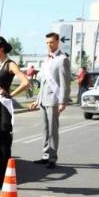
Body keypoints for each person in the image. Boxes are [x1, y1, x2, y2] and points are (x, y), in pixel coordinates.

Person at [0, 36, 30, 189]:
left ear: (1, 48)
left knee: (4, 145)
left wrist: (12, 94)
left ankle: (6, 178)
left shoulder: (10, 64)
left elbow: (26, 82)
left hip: (4, 107)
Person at [28, 32, 71, 169]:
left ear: (57, 42)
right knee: (45, 130)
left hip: (53, 99)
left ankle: (53, 158)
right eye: (47, 43)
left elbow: (65, 82)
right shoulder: (46, 59)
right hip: (43, 100)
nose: (49, 45)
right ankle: (46, 155)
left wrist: (63, 101)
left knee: (53, 130)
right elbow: (44, 82)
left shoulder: (62, 59)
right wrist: (37, 99)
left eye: (51, 42)